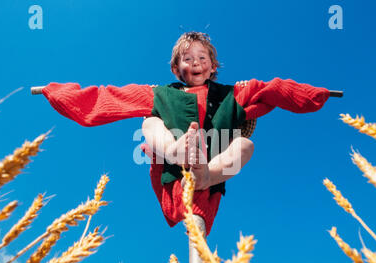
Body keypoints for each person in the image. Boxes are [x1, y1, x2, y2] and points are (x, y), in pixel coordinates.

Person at [41, 31, 330, 235]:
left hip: (212, 171)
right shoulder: (160, 94)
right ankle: (178, 149)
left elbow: (274, 89)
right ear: (176, 67)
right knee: (149, 123)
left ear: (213, 66)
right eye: (187, 59)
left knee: (245, 145)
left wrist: (317, 93)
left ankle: (206, 173)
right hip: (171, 169)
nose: (195, 63)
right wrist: (57, 93)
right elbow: (111, 97)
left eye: (202, 58)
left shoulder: (235, 93)